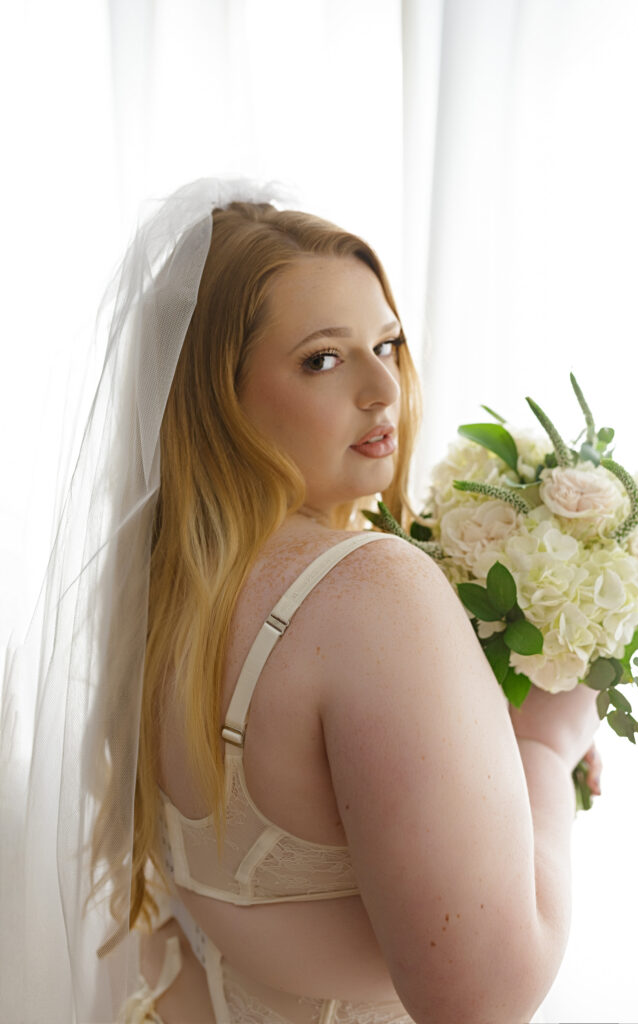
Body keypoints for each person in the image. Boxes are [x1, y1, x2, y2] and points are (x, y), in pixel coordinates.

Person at [0, 179, 601, 1024]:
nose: (381, 390)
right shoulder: (369, 591)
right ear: (216, 396)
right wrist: (546, 742)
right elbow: (483, 1002)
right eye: (322, 358)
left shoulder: (169, 590)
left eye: (386, 344)